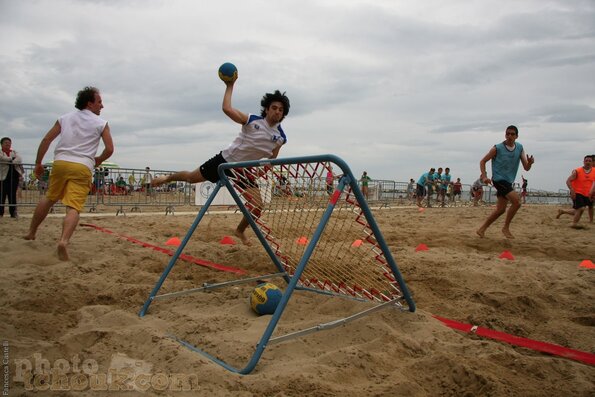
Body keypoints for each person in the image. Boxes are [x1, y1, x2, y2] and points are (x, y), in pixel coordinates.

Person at [151, 74, 290, 245]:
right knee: (190, 178)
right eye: (274, 107)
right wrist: (230, 85)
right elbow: (227, 109)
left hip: (243, 170)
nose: (277, 111)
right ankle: (167, 178)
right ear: (267, 109)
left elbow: (272, 157)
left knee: (258, 205)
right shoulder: (252, 120)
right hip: (224, 161)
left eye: (281, 110)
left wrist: (262, 170)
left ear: (283, 114)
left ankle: (239, 231)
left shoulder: (280, 137)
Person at [23, 86, 114, 260]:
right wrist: (99, 160)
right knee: (73, 207)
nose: (102, 106)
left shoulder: (65, 118)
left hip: (61, 161)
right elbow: (109, 149)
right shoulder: (101, 123)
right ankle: (64, 241)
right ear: (89, 103)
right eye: (100, 102)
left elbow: (47, 139)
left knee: (49, 197)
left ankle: (32, 231)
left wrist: (38, 163)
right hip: (82, 165)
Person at [476, 125, 534, 239]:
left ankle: (482, 229)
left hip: (508, 181)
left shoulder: (520, 148)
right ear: (505, 135)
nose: (509, 136)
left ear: (517, 136)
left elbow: (526, 167)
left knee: (501, 210)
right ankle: (506, 228)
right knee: (517, 202)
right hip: (498, 179)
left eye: (512, 134)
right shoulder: (497, 148)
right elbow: (483, 161)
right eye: (507, 134)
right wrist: (484, 177)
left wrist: (530, 163)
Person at [556, 154, 594, 227]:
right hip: (577, 192)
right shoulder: (577, 171)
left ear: (592, 163)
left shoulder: (594, 171)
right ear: (583, 162)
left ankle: (563, 211)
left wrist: (592, 191)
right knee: (581, 208)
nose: (588, 162)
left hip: (588, 193)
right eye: (586, 161)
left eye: (590, 161)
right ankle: (574, 223)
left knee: (584, 208)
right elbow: (568, 181)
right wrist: (572, 190)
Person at [0, 137, 24, 218]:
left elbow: (19, 159)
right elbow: (2, 158)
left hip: (14, 176)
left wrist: (11, 161)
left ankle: (13, 212)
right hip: (3, 176)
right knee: (1, 195)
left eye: (9, 142)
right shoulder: (1, 152)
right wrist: (12, 159)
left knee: (12, 195)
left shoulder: (14, 152)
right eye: (6, 142)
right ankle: (0, 212)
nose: (8, 144)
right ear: (2, 144)